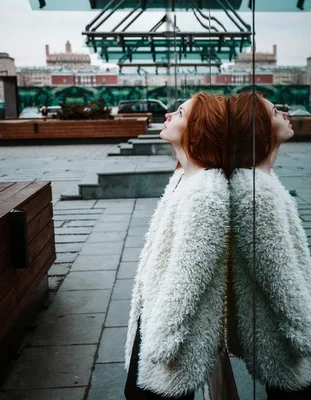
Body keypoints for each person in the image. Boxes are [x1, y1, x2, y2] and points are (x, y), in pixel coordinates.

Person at [124, 92, 230, 399]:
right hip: (155, 318)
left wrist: (162, 342)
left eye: (180, 113)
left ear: (199, 129)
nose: (169, 115)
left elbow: (188, 280)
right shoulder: (184, 177)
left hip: (171, 339)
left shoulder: (205, 193)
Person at [227, 92, 311, 399]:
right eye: (275, 112)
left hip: (283, 336)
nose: (285, 114)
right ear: (259, 127)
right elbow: (277, 275)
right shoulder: (258, 192)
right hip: (287, 342)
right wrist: (306, 338)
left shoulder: (260, 183)